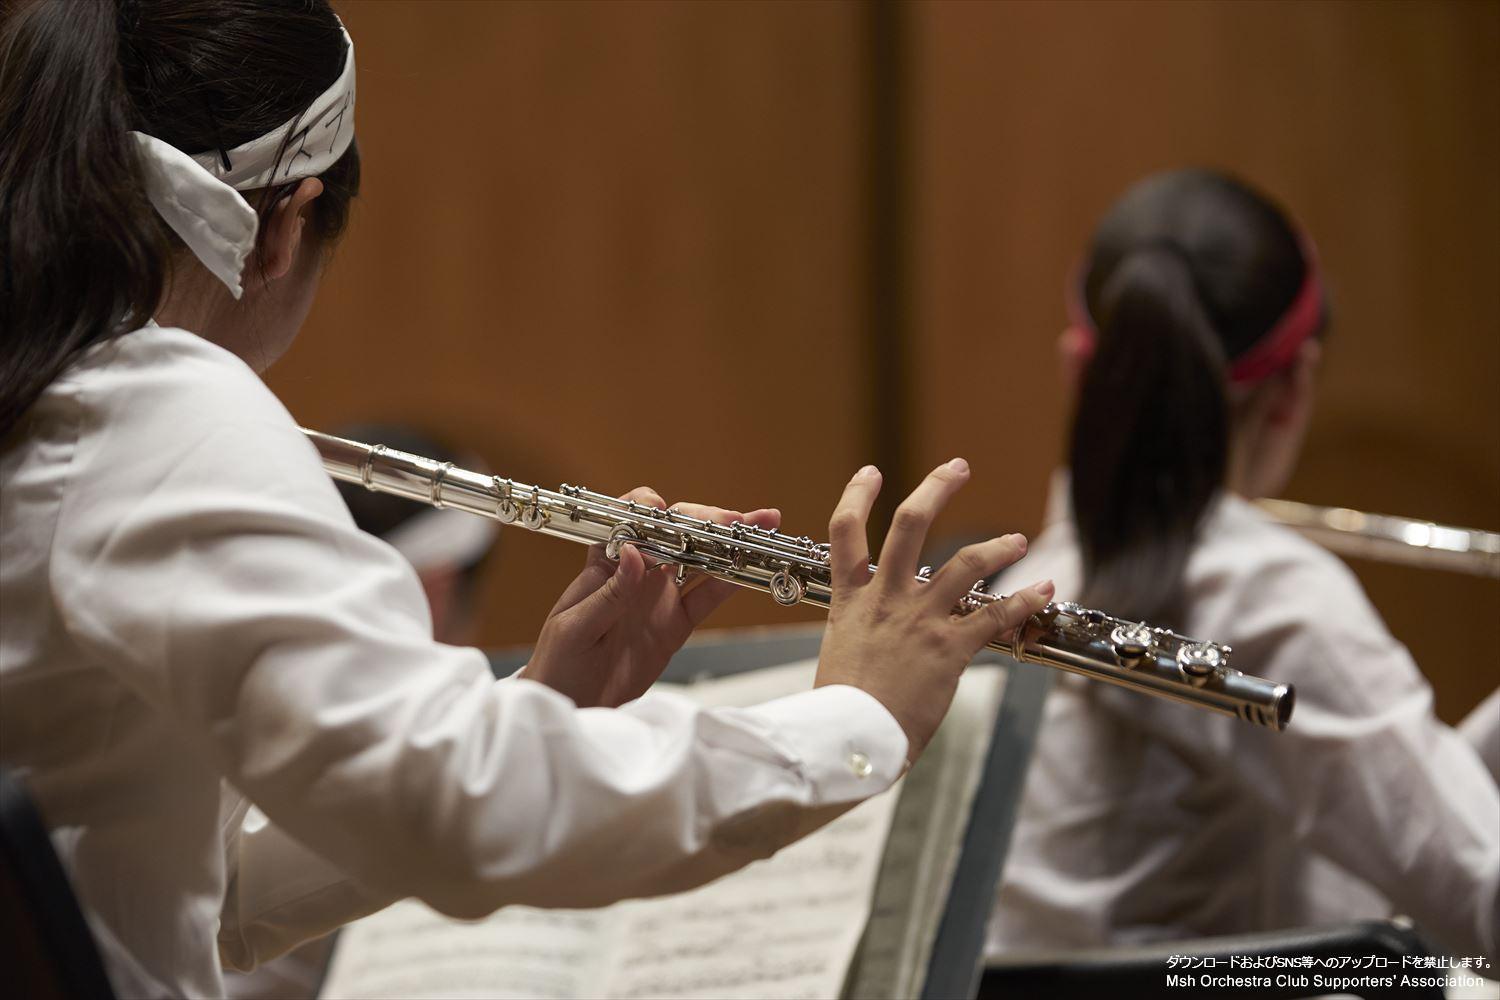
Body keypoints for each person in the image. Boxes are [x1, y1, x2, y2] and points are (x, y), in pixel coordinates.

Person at [0, 3, 1055, 997]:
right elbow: (458, 813)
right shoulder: (162, 417)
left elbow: (187, 898)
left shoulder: (52, 396)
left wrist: (540, 712)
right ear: (287, 225)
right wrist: (852, 720)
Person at [984, 169, 1498, 965]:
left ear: (1079, 374)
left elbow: (1407, 819)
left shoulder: (1009, 589)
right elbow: (1478, 893)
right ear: (1297, 387)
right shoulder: (1265, 594)